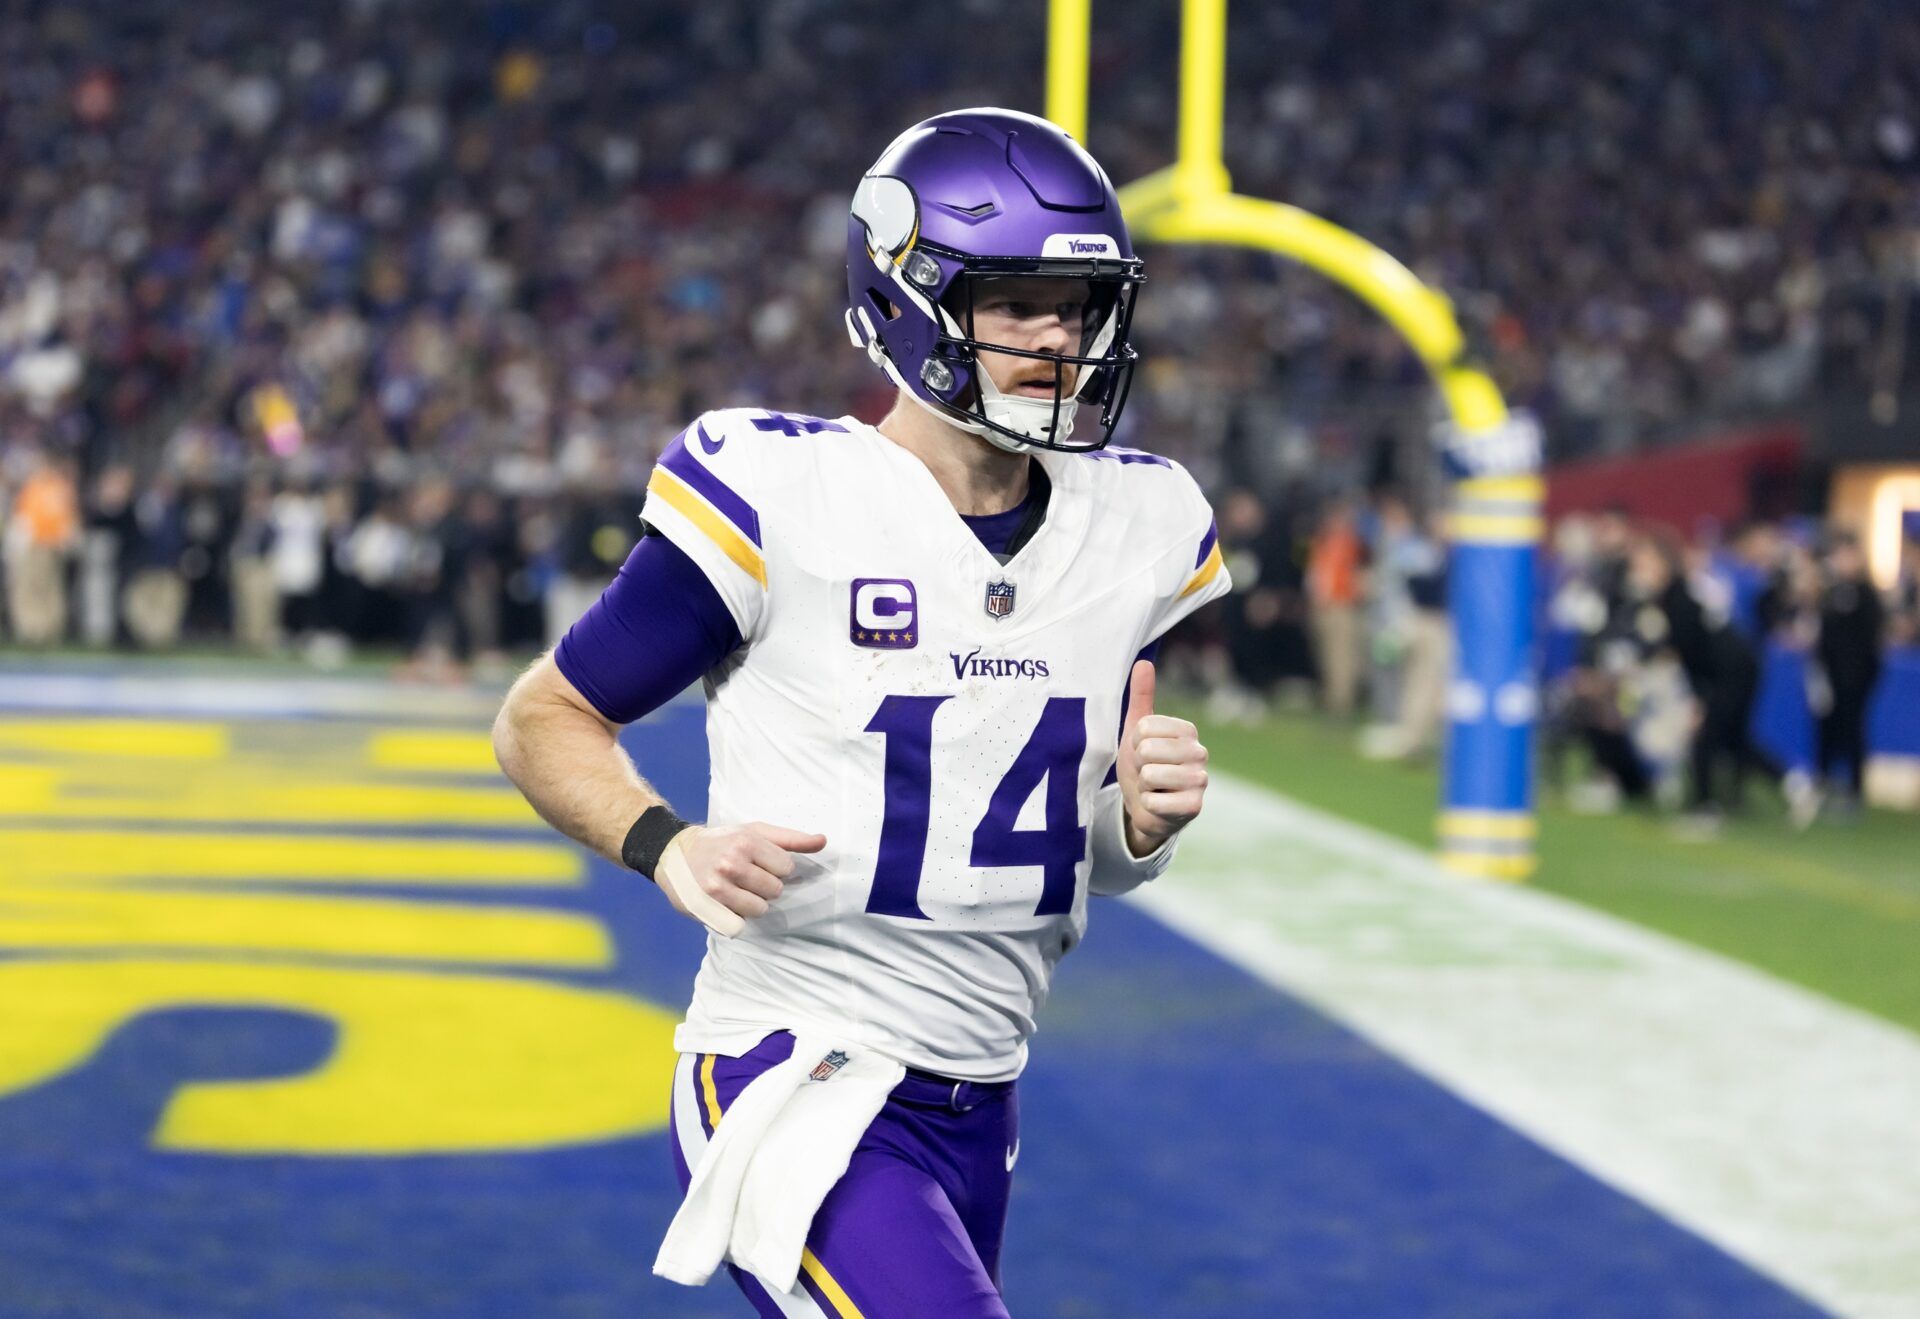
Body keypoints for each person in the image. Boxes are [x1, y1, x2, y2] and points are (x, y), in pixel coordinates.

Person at [493, 109, 1228, 1318]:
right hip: (797, 1067)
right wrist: (663, 842)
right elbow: (545, 714)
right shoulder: (788, 493)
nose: (1059, 340)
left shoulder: (1137, 524)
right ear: (909, 299)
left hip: (984, 1091)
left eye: (1078, 306)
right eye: (1018, 303)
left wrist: (1134, 827)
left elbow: (1037, 851)